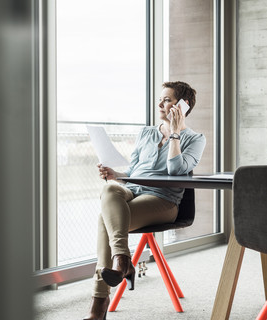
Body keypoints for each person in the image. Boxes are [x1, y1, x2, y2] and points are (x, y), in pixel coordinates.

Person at [84, 81, 206, 320]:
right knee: (109, 188)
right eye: (161, 99)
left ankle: (99, 302)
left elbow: (176, 169)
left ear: (183, 106)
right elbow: (134, 170)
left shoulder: (195, 139)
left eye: (167, 100)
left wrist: (175, 133)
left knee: (103, 220)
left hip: (163, 201)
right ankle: (122, 258)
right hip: (134, 190)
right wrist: (116, 175)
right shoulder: (146, 132)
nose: (160, 103)